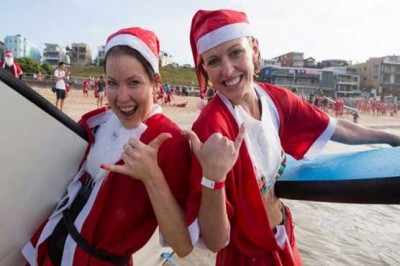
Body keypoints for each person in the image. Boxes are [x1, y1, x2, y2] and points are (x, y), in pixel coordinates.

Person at [182, 9, 400, 266]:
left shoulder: (275, 100)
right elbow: (215, 240)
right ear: (205, 68)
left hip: (282, 235)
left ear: (254, 49)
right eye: (214, 61)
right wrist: (213, 177)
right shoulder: (211, 128)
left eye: (235, 52)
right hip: (245, 255)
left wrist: (392, 139)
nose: (228, 70)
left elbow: (336, 128)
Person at [22, 27, 192, 265]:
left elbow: (182, 246)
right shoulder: (96, 121)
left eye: (134, 83)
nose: (122, 97)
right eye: (112, 83)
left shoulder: (171, 142)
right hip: (48, 250)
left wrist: (152, 177)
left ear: (155, 82)